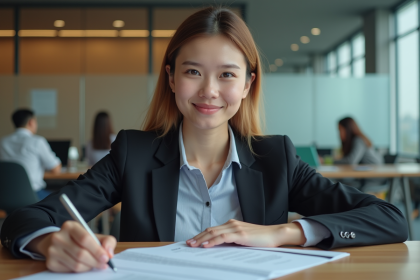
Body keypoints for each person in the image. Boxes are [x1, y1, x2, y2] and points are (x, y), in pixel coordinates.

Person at [1, 7, 407, 273]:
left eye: (227, 74)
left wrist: (281, 233)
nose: (209, 91)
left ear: (248, 84)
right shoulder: (134, 154)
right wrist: (51, 243)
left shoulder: (275, 158)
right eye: (193, 72)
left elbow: (391, 219)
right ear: (172, 77)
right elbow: (25, 219)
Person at [0, 109, 61, 200]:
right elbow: (56, 168)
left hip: (5, 196)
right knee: (61, 199)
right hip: (32, 195)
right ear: (31, 122)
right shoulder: (37, 141)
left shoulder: (2, 142)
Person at [334, 117, 386, 193]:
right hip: (363, 176)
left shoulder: (358, 140)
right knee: (340, 182)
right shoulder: (352, 142)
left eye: (340, 130)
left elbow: (350, 161)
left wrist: (332, 161)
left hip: (374, 176)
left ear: (347, 129)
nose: (339, 134)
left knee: (343, 183)